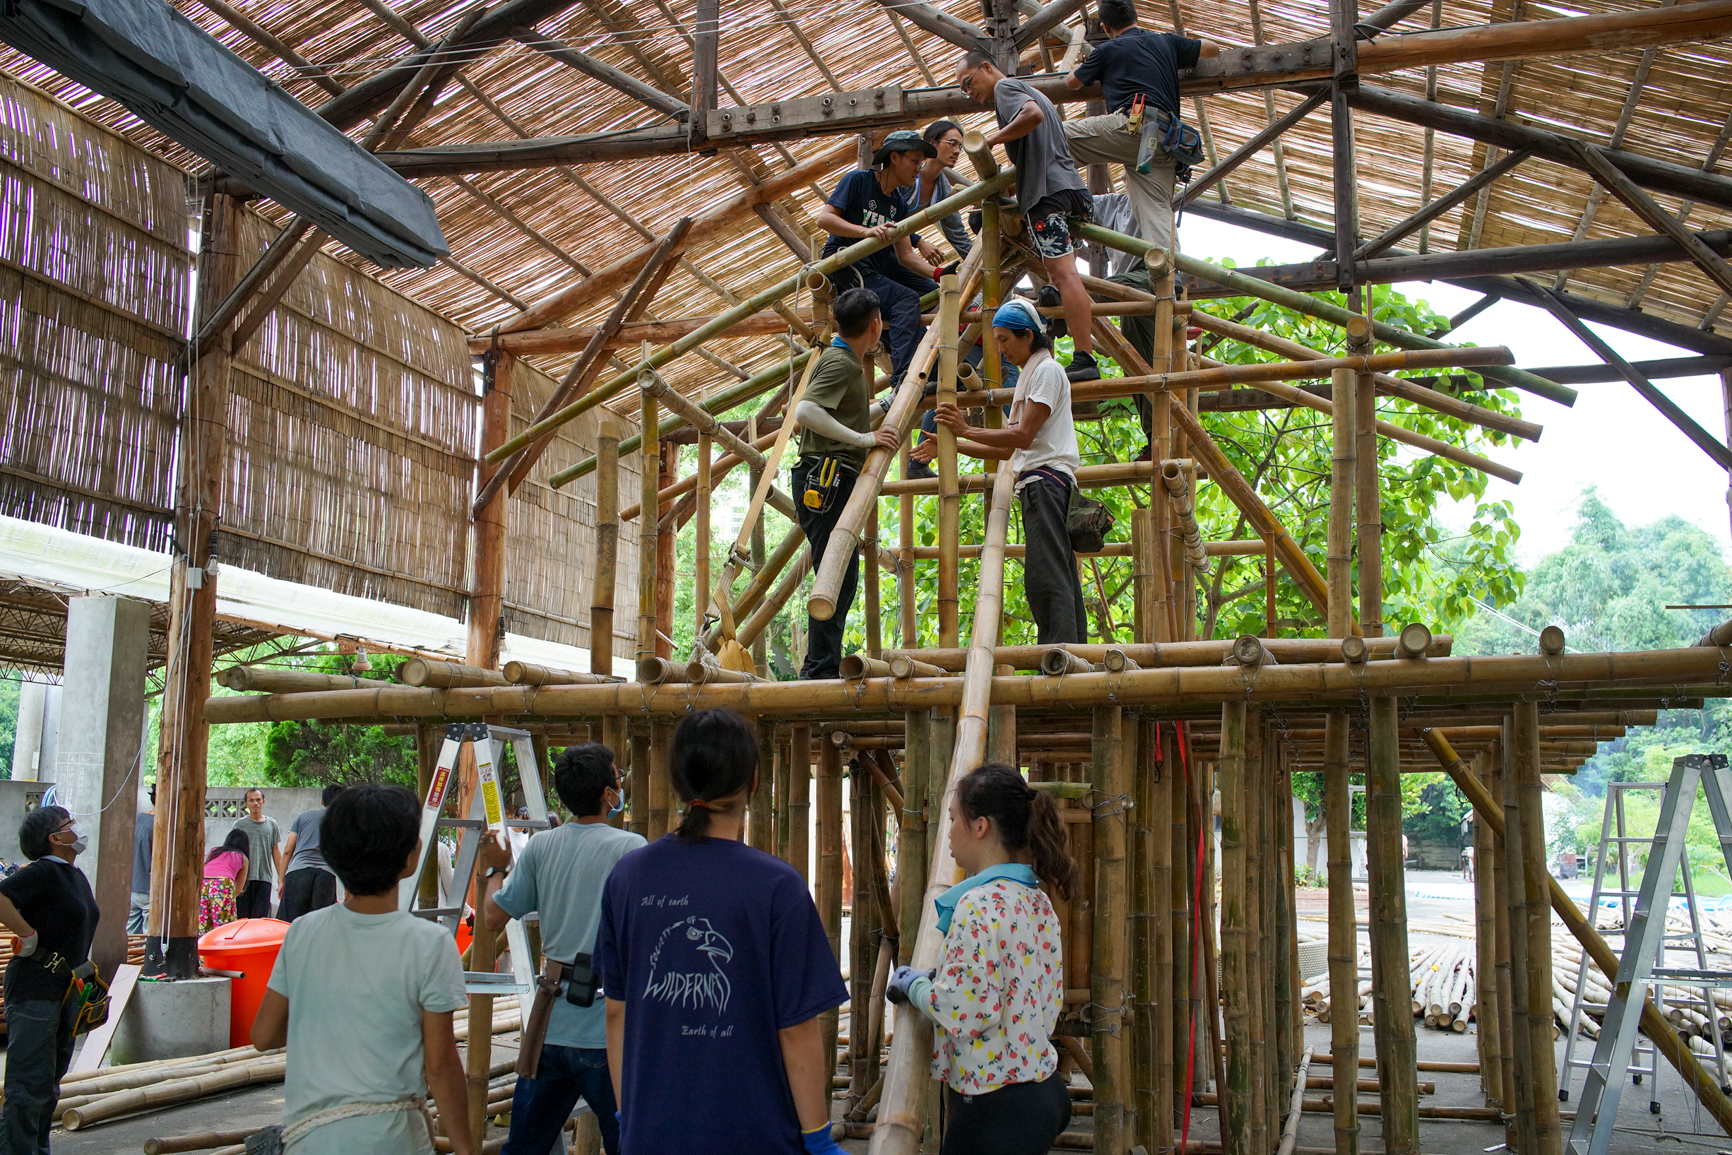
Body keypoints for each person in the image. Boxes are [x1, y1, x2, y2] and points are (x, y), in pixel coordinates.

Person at [595, 708, 848, 1155]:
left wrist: (627, 1115)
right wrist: (818, 1138)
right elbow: (797, 1031)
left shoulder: (628, 877)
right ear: (752, 781)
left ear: (677, 781)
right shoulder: (777, 887)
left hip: (651, 1135)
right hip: (754, 1137)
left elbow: (616, 1011)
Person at [251, 784, 475, 1155]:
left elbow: (264, 1035)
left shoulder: (302, 933)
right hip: (393, 1139)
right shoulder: (429, 943)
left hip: (308, 1140)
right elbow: (440, 1065)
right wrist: (466, 1148)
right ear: (411, 857)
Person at [886, 765, 1074, 1155]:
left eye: (953, 819)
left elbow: (965, 1008)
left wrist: (915, 985)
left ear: (981, 827)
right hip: (1042, 1090)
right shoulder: (1036, 898)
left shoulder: (976, 904)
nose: (948, 831)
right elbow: (1040, 998)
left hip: (995, 1105)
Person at [477, 745, 642, 1155]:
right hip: (608, 1028)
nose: (621, 784)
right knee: (629, 1142)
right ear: (608, 793)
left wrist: (495, 867)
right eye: (617, 778)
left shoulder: (541, 848)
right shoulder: (631, 849)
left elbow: (492, 917)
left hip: (552, 1022)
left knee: (526, 1144)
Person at [914, 299, 1087, 643]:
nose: (1000, 349)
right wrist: (952, 445)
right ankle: (1067, 652)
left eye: (1005, 339)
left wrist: (964, 431)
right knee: (1055, 572)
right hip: (1045, 485)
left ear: (1027, 337)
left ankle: (1057, 656)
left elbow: (1020, 436)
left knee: (1046, 576)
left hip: (1046, 484)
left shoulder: (1047, 372)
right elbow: (1009, 448)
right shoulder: (1033, 373)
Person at [957, 51, 1101, 383]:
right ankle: (1055, 302)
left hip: (1047, 196)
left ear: (988, 68)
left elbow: (1031, 116)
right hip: (1071, 191)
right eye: (963, 89)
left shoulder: (1005, 90)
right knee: (1060, 277)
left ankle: (1084, 357)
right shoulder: (1033, 91)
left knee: (1065, 275)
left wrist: (989, 140)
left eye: (970, 83)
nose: (969, 92)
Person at [792, 287, 902, 679]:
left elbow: (845, 417)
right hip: (827, 476)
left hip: (827, 476)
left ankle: (821, 664)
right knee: (835, 573)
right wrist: (862, 440)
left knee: (838, 571)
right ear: (875, 326)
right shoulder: (843, 364)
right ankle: (819, 669)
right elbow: (806, 411)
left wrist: (885, 408)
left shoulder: (842, 359)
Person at [1063, 0, 1220, 255]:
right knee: (1156, 213)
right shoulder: (1166, 42)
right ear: (1135, 17)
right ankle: (1170, 278)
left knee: (1052, 135)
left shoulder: (1107, 50)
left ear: (1104, 26)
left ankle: (1049, 197)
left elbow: (1072, 83)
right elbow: (1212, 49)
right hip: (1166, 140)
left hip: (1132, 129)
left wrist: (1078, 67)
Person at [0, 806, 99, 1155]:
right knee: (28, 1087)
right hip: (33, 990)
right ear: (55, 839)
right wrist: (26, 933)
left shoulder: (74, 875)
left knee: (48, 1086)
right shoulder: (43, 871)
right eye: (69, 824)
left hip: (64, 994)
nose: (78, 828)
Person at [815, 129, 946, 390]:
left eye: (921, 163)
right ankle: (903, 377)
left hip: (878, 267)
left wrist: (939, 274)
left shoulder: (898, 202)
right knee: (905, 299)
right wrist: (865, 232)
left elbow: (906, 255)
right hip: (844, 263)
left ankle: (930, 368)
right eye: (915, 161)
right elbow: (824, 219)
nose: (919, 169)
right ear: (894, 157)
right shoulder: (858, 181)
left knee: (935, 293)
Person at [903, 120, 973, 265]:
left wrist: (983, 265)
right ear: (933, 142)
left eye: (960, 147)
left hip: (898, 249)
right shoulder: (906, 175)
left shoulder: (944, 189)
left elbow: (957, 235)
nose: (957, 151)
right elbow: (883, 217)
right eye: (952, 143)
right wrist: (918, 241)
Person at [279, 784, 343, 922]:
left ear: (322, 801)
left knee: (288, 925)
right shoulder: (342, 823)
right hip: (326, 875)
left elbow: (287, 850)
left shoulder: (303, 817)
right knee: (320, 925)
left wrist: (280, 881)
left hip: (298, 873)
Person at [231, 787, 284, 919]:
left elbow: (275, 850)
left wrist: (281, 877)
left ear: (263, 802)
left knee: (259, 918)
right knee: (242, 918)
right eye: (251, 800)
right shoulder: (239, 825)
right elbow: (232, 852)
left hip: (264, 877)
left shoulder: (272, 824)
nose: (255, 803)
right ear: (246, 804)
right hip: (243, 879)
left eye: (258, 800)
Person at [202, 830, 251, 932]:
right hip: (222, 884)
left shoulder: (214, 851)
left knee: (203, 922)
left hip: (203, 883)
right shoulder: (242, 857)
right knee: (222, 925)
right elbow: (237, 889)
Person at [129, 786, 154, 934]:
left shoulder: (137, 819)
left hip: (132, 886)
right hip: (149, 889)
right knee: (149, 939)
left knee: (130, 936)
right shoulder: (163, 824)